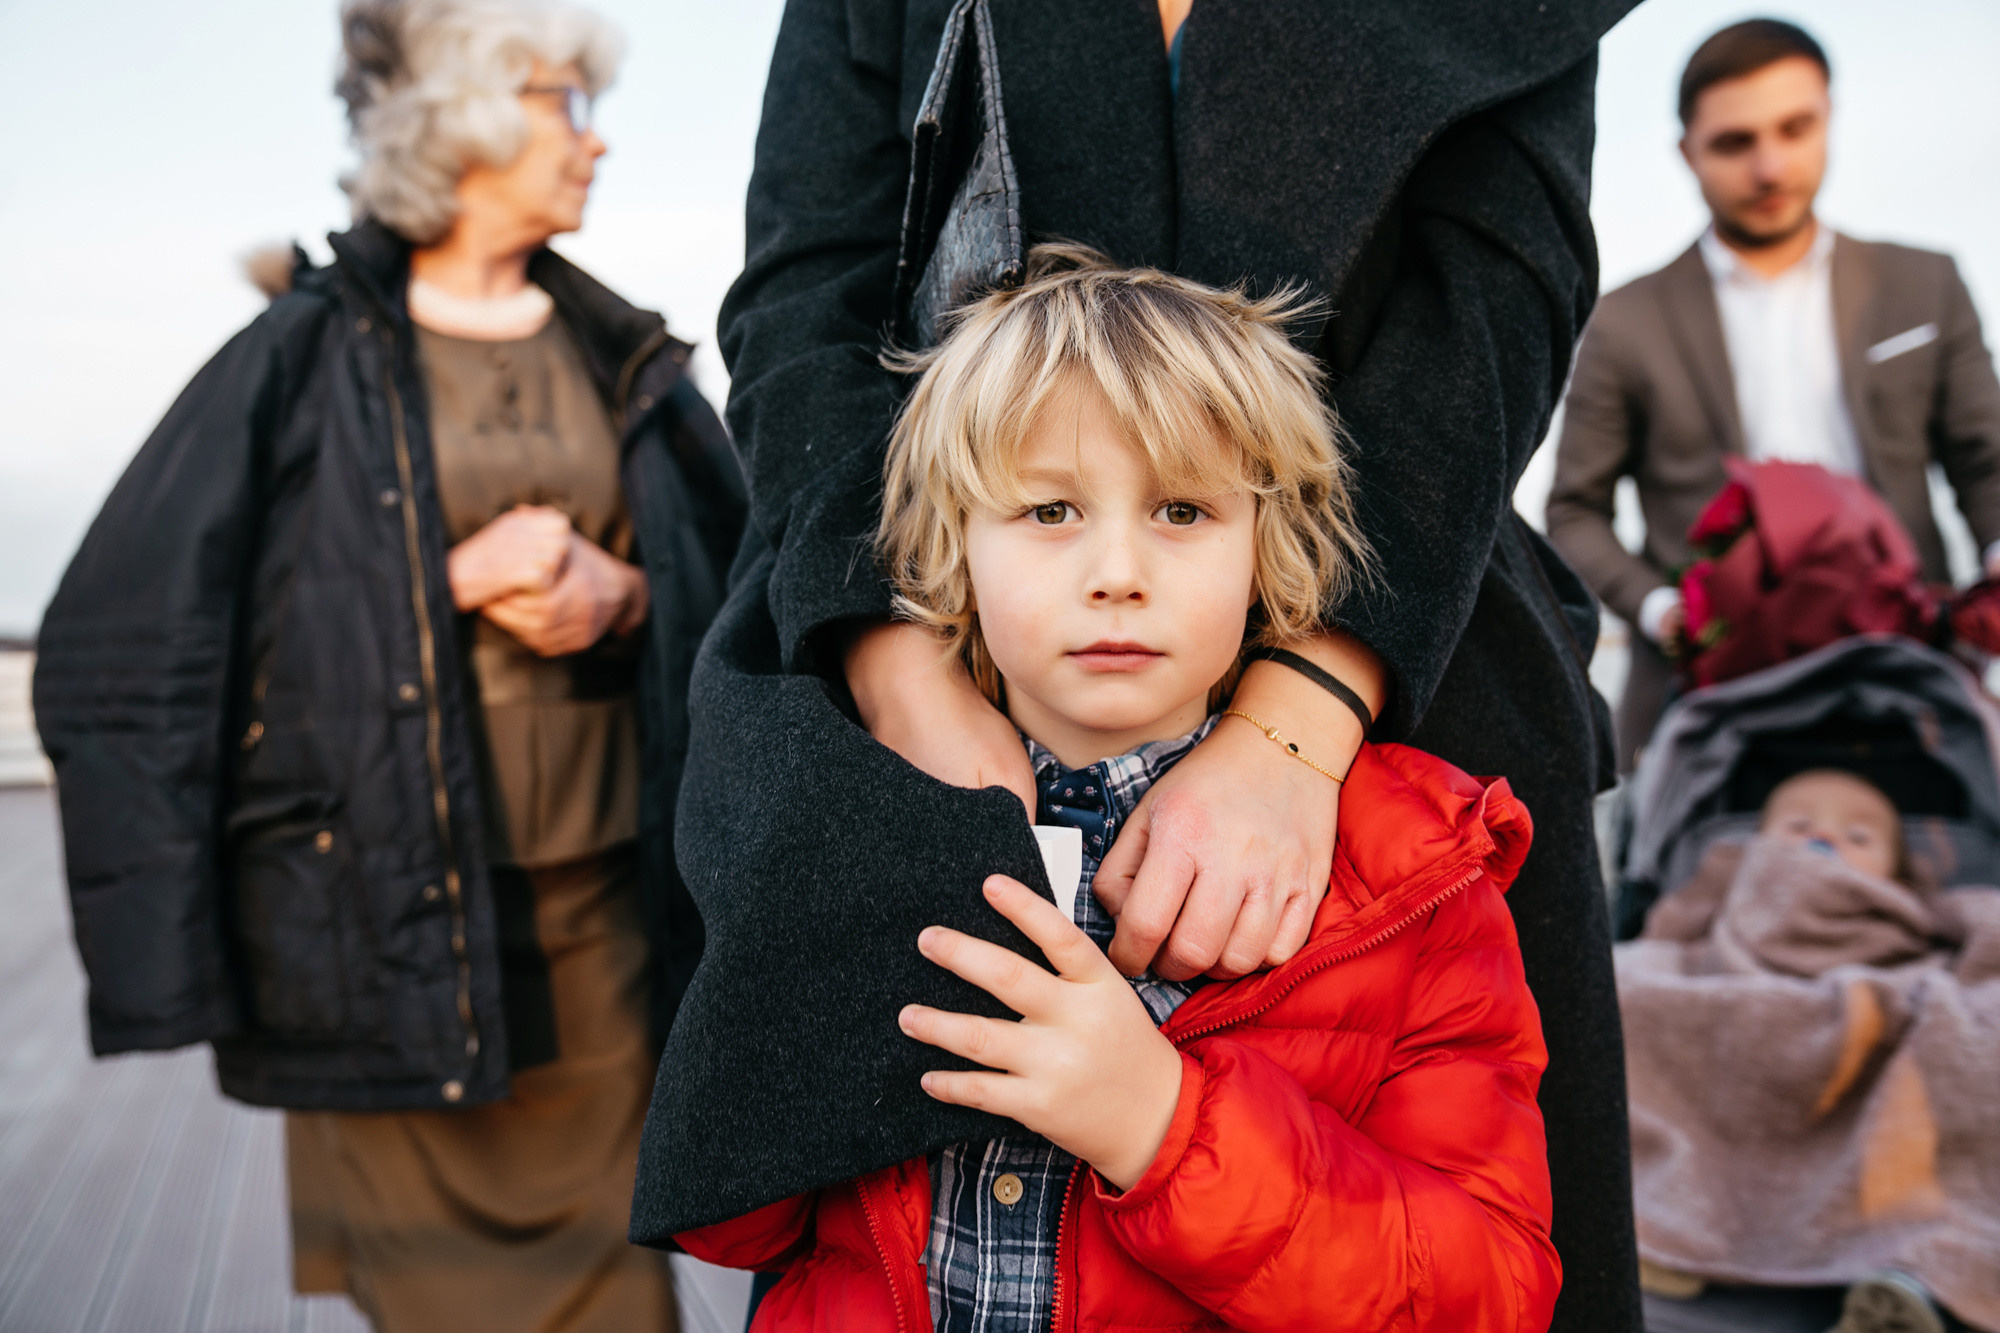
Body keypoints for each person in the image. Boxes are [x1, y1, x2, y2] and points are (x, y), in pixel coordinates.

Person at [641, 3, 1645, 1328]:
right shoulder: (832, 806)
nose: (1117, 569)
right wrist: (898, 670)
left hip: (1414, 628)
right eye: (1057, 511)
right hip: (914, 628)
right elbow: (805, 285)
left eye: (1177, 510)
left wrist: (1305, 718)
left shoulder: (1426, 874)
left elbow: (1494, 296)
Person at [32, 1, 744, 1328]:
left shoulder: (628, 355)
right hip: (392, 943)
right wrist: (444, 584)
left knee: (623, 1305)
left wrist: (629, 591)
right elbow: (131, 639)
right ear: (463, 118)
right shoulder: (297, 359)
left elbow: (744, 590)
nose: (594, 142)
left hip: (605, 946)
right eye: (561, 102)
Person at [1546, 18, 2000, 771]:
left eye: (1795, 128)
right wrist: (1668, 613)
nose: (1769, 165)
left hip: (1912, 681)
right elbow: (1573, 510)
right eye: (1735, 142)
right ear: (1686, 153)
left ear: (1829, 115)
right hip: (1711, 706)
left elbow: (1985, 462)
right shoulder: (1625, 320)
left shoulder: (1926, 282)